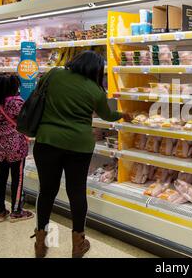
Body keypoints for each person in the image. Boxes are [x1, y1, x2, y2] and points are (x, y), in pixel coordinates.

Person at [32, 50, 126, 258]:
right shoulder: (95, 89)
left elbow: (39, 94)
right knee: (76, 192)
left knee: (47, 191)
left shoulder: (53, 74)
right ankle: (78, 244)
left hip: (47, 141)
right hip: (79, 146)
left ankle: (41, 243)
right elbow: (107, 114)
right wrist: (123, 115)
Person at [0, 74, 33, 223]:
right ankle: (16, 211)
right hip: (15, 147)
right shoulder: (15, 102)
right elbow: (26, 118)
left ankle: (1, 212)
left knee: (0, 178)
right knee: (17, 178)